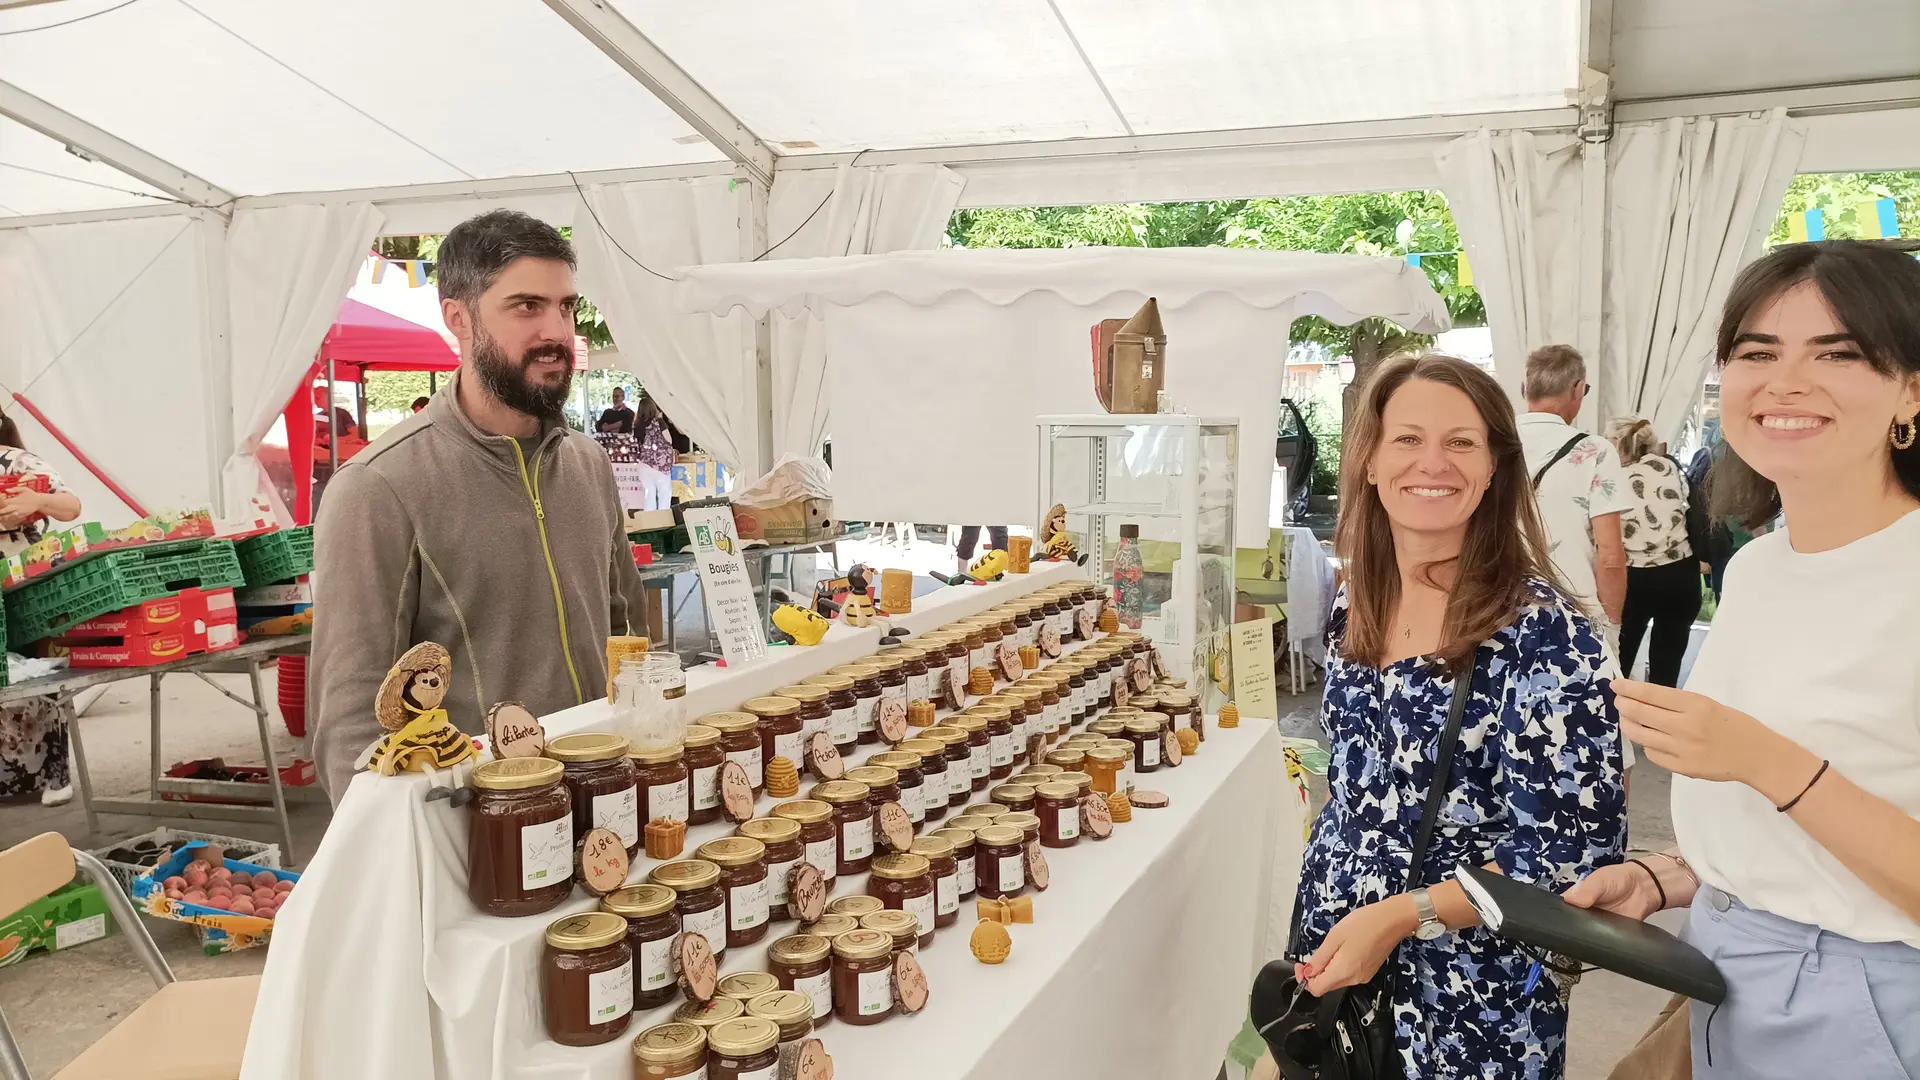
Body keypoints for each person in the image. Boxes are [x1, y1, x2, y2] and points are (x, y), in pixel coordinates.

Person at [1567, 240, 1920, 1077]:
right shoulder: (1759, 566)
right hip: (1721, 966)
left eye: (1837, 353)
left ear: (1911, 388)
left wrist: (1769, 763)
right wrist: (1668, 877)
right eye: (1757, 352)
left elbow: (1782, 776)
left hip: (1864, 1006)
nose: (1785, 381)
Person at [1290, 354, 1626, 1079]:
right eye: (1407, 439)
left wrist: (1400, 916)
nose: (1431, 463)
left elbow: (1573, 856)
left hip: (1473, 988)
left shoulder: (1543, 635)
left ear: (1496, 467)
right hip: (1343, 948)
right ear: (1370, 462)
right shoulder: (1360, 602)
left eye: (1461, 442)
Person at [311, 209, 647, 802]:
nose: (556, 330)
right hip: (474, 826)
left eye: (565, 307)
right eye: (526, 307)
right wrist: (398, 859)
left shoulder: (589, 465)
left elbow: (630, 632)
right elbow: (352, 720)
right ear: (458, 319)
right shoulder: (377, 487)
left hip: (606, 801)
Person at [0, 413, 84, 805]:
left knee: (38, 681)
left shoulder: (19, 462)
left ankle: (55, 775)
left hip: (25, 585)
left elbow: (71, 506)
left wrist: (36, 502)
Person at [1518, 345, 1633, 631]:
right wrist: (1610, 625)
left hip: (1497, 606)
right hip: (1572, 612)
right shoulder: (1595, 450)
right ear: (1578, 389)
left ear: (1524, 389)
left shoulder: (1487, 443)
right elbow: (1609, 555)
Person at [1607, 416, 1701, 686]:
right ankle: (1658, 723)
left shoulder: (1614, 479)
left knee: (1618, 661)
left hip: (1636, 578)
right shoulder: (1669, 467)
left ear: (1618, 443)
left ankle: (1612, 721)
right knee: (1667, 663)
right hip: (1681, 574)